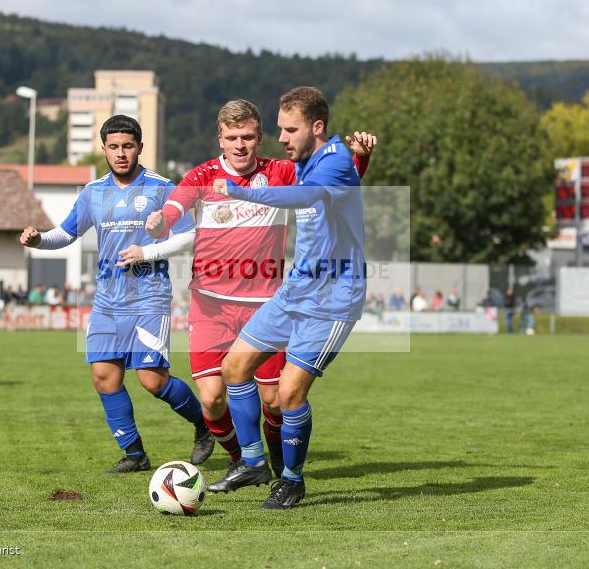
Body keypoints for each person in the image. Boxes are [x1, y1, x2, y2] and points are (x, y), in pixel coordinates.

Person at [143, 98, 374, 488]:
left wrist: (360, 159)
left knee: (274, 401)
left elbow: (337, 184)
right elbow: (176, 205)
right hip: (210, 304)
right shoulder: (203, 174)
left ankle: (277, 462)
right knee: (213, 398)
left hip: (263, 301)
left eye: (248, 137)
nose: (240, 145)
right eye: (232, 137)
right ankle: (244, 462)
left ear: (258, 138)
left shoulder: (282, 171)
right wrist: (160, 221)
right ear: (220, 137)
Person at [19, 114, 209, 472]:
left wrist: (147, 252)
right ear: (103, 149)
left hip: (149, 296)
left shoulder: (161, 187)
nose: (121, 153)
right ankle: (135, 455)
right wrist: (39, 240)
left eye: (127, 146)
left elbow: (189, 234)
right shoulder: (93, 192)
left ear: (139, 146)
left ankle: (206, 426)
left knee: (152, 380)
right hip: (107, 299)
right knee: (104, 376)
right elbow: (66, 233)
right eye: (113, 147)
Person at [212, 86, 367, 509]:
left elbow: (308, 195)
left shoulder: (332, 161)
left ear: (316, 127)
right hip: (297, 289)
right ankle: (254, 462)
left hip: (334, 297)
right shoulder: (311, 159)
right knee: (234, 366)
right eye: (279, 129)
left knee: (288, 394)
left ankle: (293, 480)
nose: (281, 138)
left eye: (289, 129)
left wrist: (240, 191)